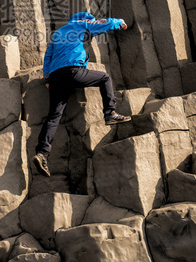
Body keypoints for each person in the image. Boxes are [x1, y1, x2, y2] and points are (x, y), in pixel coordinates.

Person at [33, 12, 131, 177]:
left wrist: (47, 78)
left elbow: (48, 56)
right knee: (105, 78)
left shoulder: (58, 33)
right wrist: (120, 21)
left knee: (54, 116)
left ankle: (42, 153)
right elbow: (104, 23)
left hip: (56, 77)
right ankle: (110, 113)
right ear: (86, 20)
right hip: (72, 71)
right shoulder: (83, 24)